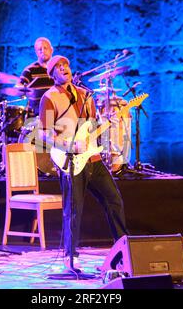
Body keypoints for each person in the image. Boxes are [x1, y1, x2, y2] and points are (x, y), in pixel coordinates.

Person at [38, 55, 129, 272]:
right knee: (74, 209)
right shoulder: (49, 98)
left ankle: (124, 252)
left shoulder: (85, 95)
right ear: (52, 75)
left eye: (66, 65)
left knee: (113, 200)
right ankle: (71, 256)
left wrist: (110, 122)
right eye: (58, 67)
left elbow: (92, 126)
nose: (64, 68)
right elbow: (43, 133)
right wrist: (65, 144)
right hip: (70, 161)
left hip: (93, 158)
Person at [18, 37, 55, 116]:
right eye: (39, 49)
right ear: (36, 52)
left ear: (51, 50)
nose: (43, 51)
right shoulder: (30, 70)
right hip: (35, 114)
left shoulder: (57, 69)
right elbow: (18, 87)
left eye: (45, 48)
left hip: (55, 113)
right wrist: (25, 91)